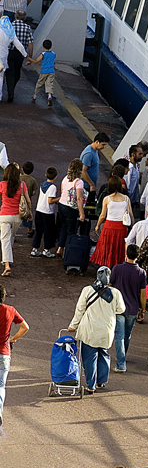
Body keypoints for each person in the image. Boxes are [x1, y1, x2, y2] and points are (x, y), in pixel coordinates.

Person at [68, 266, 125, 393]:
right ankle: (101, 381)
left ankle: (90, 385)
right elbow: (121, 310)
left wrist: (73, 325)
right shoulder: (115, 293)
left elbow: (80, 310)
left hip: (90, 330)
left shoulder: (87, 290)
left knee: (89, 358)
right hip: (106, 330)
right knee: (104, 354)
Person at [110, 244, 147, 373]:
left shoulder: (117, 269)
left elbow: (110, 286)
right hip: (133, 308)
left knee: (119, 335)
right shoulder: (141, 272)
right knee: (127, 335)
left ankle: (121, 363)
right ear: (138, 256)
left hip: (118, 308)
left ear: (126, 254)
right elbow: (143, 293)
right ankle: (122, 356)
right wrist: (143, 309)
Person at [0, 283, 29, 426]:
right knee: (1, 386)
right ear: (3, 297)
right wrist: (13, 338)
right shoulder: (10, 310)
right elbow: (25, 327)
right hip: (4, 352)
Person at [91, 176, 134, 268]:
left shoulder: (107, 199)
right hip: (121, 227)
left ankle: (107, 266)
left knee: (107, 246)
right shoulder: (126, 199)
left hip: (109, 226)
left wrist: (97, 225)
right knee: (119, 248)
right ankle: (117, 265)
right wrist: (133, 226)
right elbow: (130, 214)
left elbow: (102, 215)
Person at [0, 163, 32, 276]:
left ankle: (7, 264)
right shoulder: (22, 185)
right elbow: (28, 201)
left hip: (4, 215)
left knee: (5, 239)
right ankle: (6, 258)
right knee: (11, 237)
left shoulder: (2, 184)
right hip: (17, 216)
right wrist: (29, 213)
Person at [56, 159, 86, 257]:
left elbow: (62, 191)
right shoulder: (79, 182)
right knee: (71, 231)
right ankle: (68, 252)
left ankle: (60, 248)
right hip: (70, 208)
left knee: (64, 227)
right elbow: (79, 198)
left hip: (61, 205)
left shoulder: (65, 178)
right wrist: (82, 213)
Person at [30, 166, 59, 258]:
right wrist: (59, 198)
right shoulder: (53, 187)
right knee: (48, 231)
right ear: (55, 176)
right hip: (48, 212)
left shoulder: (42, 184)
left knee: (38, 230)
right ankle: (47, 250)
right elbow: (50, 201)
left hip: (39, 210)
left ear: (46, 175)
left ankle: (35, 249)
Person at [6, 10, 33, 102]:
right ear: (25, 18)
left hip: (9, 51)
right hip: (20, 54)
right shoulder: (28, 28)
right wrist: (30, 56)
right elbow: (30, 43)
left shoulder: (10, 26)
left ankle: (10, 92)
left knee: (9, 72)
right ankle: (12, 88)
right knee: (17, 71)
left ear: (15, 16)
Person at [0, 17, 27, 102]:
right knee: (1, 77)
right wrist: (25, 55)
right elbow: (19, 45)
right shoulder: (10, 32)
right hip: (4, 56)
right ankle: (0, 96)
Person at [29, 39, 56, 106]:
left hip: (44, 71)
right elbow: (54, 63)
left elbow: (36, 61)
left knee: (39, 84)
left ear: (43, 46)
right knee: (49, 84)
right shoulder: (53, 54)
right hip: (51, 71)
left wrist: (28, 58)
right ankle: (49, 96)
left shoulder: (43, 54)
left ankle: (34, 97)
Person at [20, 160, 38, 238]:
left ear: (22, 169)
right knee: (28, 215)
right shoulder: (32, 180)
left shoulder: (19, 178)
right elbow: (34, 192)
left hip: (18, 200)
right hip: (27, 200)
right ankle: (30, 230)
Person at [125, 144, 143, 218]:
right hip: (128, 197)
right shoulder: (130, 168)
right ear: (133, 154)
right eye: (140, 154)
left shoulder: (136, 166)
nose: (141, 156)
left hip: (133, 199)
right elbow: (127, 183)